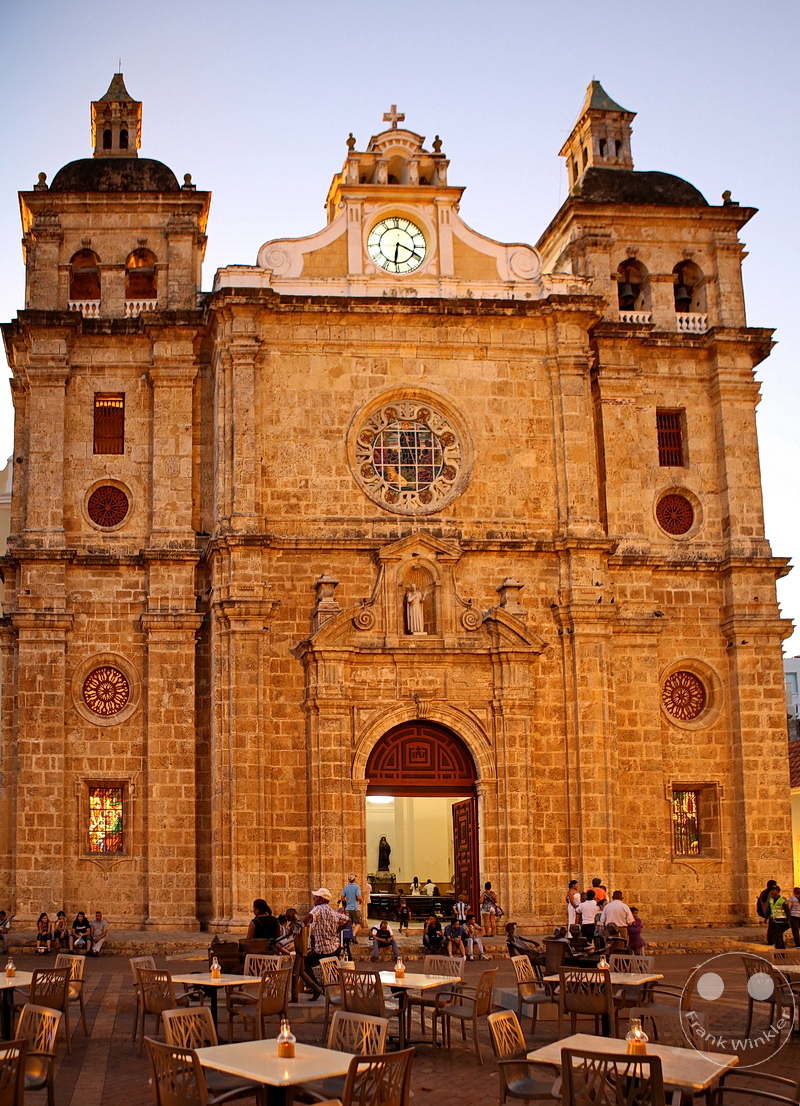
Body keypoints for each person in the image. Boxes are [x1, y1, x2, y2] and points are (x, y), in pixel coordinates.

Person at [303, 888, 347, 997]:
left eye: (316, 897)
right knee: (332, 972)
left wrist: (301, 924)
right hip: (334, 948)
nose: (314, 899)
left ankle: (316, 987)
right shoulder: (332, 912)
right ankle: (334, 993)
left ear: (321, 899)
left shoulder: (318, 908)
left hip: (322, 950)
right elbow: (347, 920)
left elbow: (308, 918)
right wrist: (338, 929)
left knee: (304, 964)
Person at [340, 875, 362, 941]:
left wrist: (346, 902)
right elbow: (358, 896)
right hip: (355, 908)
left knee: (350, 923)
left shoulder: (346, 888)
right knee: (358, 923)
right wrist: (361, 900)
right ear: (354, 879)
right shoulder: (357, 887)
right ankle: (353, 935)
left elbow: (342, 897)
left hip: (348, 908)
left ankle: (349, 935)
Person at [757, 879, 778, 946]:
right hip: (772, 912)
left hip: (765, 911)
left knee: (771, 927)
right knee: (774, 928)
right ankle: (773, 941)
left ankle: (771, 940)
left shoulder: (763, 892)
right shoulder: (771, 893)